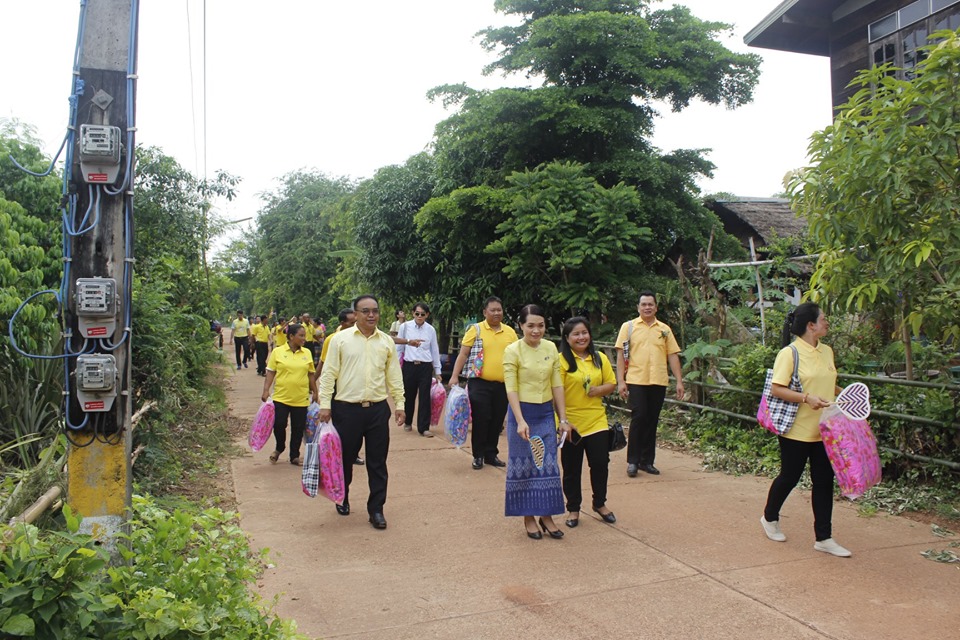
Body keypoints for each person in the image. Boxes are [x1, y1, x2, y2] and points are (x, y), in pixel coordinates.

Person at [760, 302, 851, 557]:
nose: (827, 321)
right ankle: (769, 518)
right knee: (790, 476)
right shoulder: (789, 354)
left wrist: (846, 394)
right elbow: (777, 388)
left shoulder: (827, 351)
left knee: (824, 482)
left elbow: (827, 381)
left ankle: (824, 537)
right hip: (796, 430)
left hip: (824, 430)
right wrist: (806, 398)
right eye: (823, 318)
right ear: (811, 325)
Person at [317, 295, 405, 530]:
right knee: (345, 458)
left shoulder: (386, 341)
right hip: (346, 410)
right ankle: (342, 496)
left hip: (377, 410)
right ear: (355, 314)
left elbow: (394, 376)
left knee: (378, 463)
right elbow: (329, 374)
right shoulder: (340, 340)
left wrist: (400, 404)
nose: (371, 315)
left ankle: (376, 509)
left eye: (375, 311)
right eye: (365, 311)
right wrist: (325, 404)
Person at [503, 304, 572, 540]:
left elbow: (557, 385)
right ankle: (528, 517)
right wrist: (520, 420)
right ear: (521, 326)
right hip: (522, 414)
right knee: (525, 465)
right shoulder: (513, 351)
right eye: (530, 325)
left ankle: (547, 516)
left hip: (545, 414)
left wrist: (562, 419)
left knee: (548, 465)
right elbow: (510, 388)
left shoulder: (551, 348)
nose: (536, 330)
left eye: (540, 325)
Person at [615, 291, 684, 477]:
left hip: (658, 381)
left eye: (650, 304)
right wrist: (621, 381)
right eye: (643, 304)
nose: (647, 307)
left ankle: (647, 461)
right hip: (636, 380)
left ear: (656, 307)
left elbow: (672, 355)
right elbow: (621, 355)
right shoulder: (628, 327)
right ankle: (633, 461)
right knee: (639, 418)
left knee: (652, 420)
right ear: (638, 307)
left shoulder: (664, 330)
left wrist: (679, 381)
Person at [558, 317, 618, 527]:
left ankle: (599, 503)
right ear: (567, 338)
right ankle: (573, 509)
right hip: (570, 423)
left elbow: (611, 383)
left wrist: (598, 390)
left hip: (596, 420)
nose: (581, 337)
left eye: (584, 332)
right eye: (576, 334)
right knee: (572, 467)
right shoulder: (561, 361)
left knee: (600, 464)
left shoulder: (599, 358)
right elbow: (555, 393)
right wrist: (561, 421)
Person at [449, 296, 518, 470]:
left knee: (497, 420)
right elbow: (463, 354)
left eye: (499, 310)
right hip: (479, 383)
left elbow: (518, 358)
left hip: (503, 385)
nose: (496, 313)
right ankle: (478, 455)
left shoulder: (510, 332)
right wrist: (454, 376)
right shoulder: (476, 329)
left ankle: (491, 454)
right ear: (484, 312)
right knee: (481, 419)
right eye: (493, 310)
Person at [261, 323, 317, 466]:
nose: (304, 338)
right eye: (301, 335)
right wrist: (266, 390)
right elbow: (271, 372)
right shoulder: (278, 352)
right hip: (281, 397)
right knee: (279, 424)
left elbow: (311, 375)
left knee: (298, 428)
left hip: (301, 398)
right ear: (291, 336)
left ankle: (294, 455)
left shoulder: (307, 353)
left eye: (305, 335)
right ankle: (280, 447)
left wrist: (316, 392)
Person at [395, 302, 442, 437]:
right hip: (409, 365)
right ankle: (408, 421)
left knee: (425, 397)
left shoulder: (431, 330)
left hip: (425, 366)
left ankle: (423, 427)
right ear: (413, 313)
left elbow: (434, 350)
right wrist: (397, 367)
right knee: (408, 395)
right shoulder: (405, 327)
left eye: (423, 314)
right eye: (417, 314)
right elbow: (399, 348)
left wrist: (437, 371)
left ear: (427, 315)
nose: (420, 316)